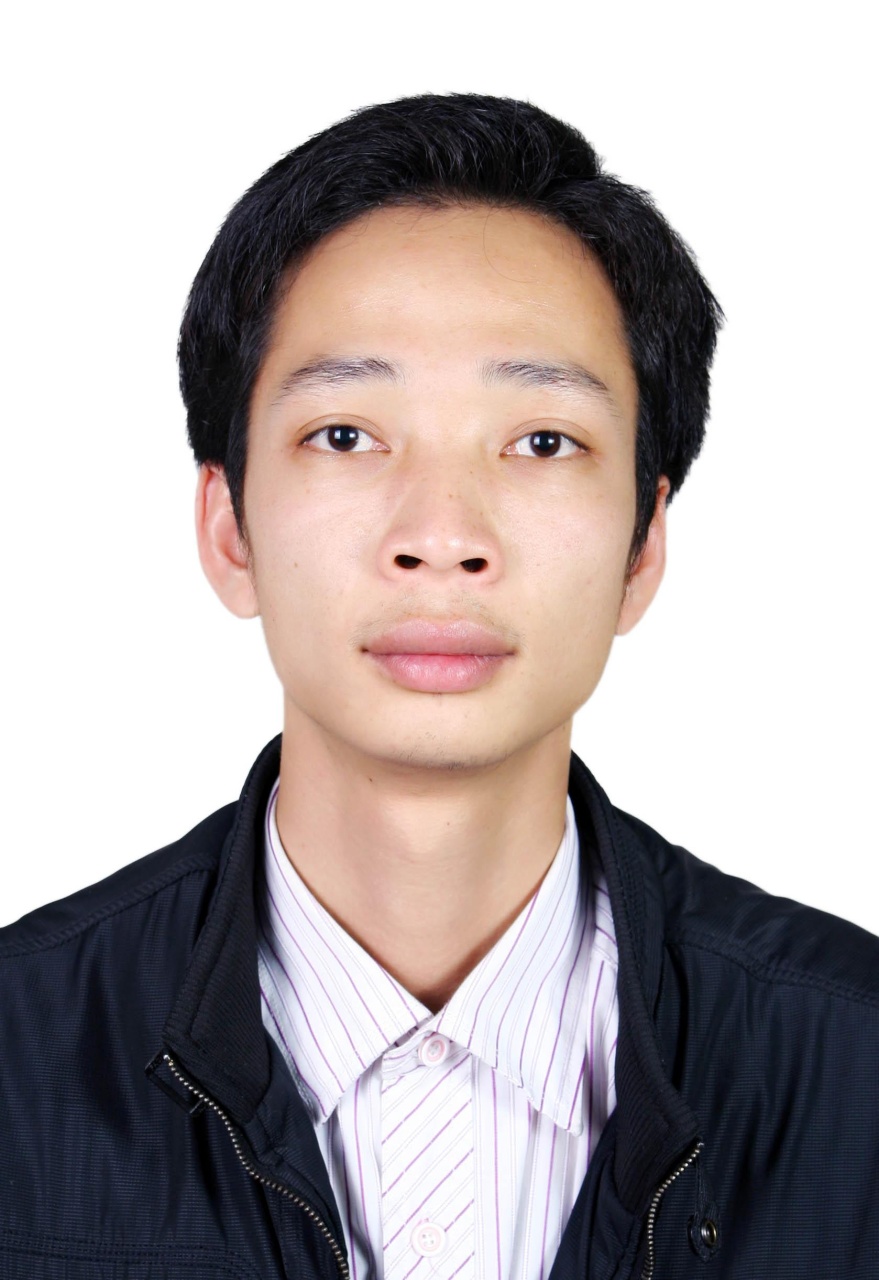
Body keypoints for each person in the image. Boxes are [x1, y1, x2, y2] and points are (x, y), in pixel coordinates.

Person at [0, 92, 876, 1280]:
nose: (442, 536)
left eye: (542, 441)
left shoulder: (851, 1066)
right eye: (346, 435)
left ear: (643, 544)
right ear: (229, 526)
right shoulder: (20, 1051)